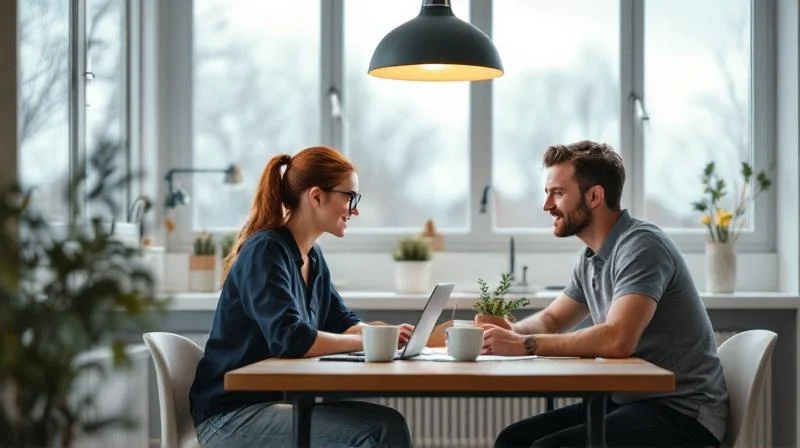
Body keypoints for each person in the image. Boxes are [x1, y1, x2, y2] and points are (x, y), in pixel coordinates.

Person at [479, 140, 728, 448]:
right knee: (513, 440)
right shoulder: (592, 258)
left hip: (682, 413)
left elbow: (618, 339)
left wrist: (525, 345)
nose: (547, 205)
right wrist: (508, 332)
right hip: (630, 402)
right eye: (547, 193)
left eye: (558, 193)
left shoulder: (641, 246)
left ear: (595, 196)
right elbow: (554, 318)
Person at [190, 146, 413, 448]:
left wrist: (380, 334)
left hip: (270, 406)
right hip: (230, 417)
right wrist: (365, 342)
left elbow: (341, 321)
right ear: (316, 196)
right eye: (349, 196)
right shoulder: (266, 251)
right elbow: (291, 338)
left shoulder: (312, 257)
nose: (355, 209)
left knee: (388, 424)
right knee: (382, 431)